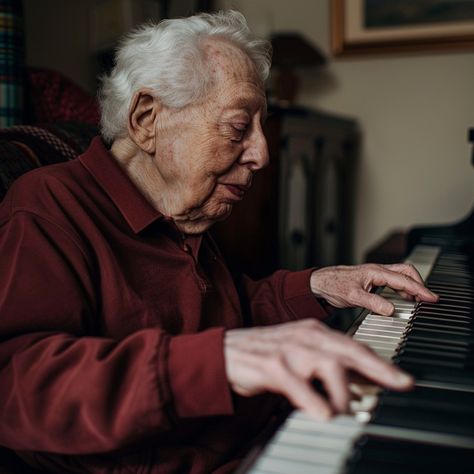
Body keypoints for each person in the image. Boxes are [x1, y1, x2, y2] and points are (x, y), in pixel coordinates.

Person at [0, 10, 438, 474]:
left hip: (263, 436)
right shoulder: (48, 206)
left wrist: (318, 285)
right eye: (237, 127)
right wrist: (219, 361)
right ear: (147, 118)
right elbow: (18, 383)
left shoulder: (183, 209)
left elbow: (221, 312)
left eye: (261, 127)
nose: (262, 154)